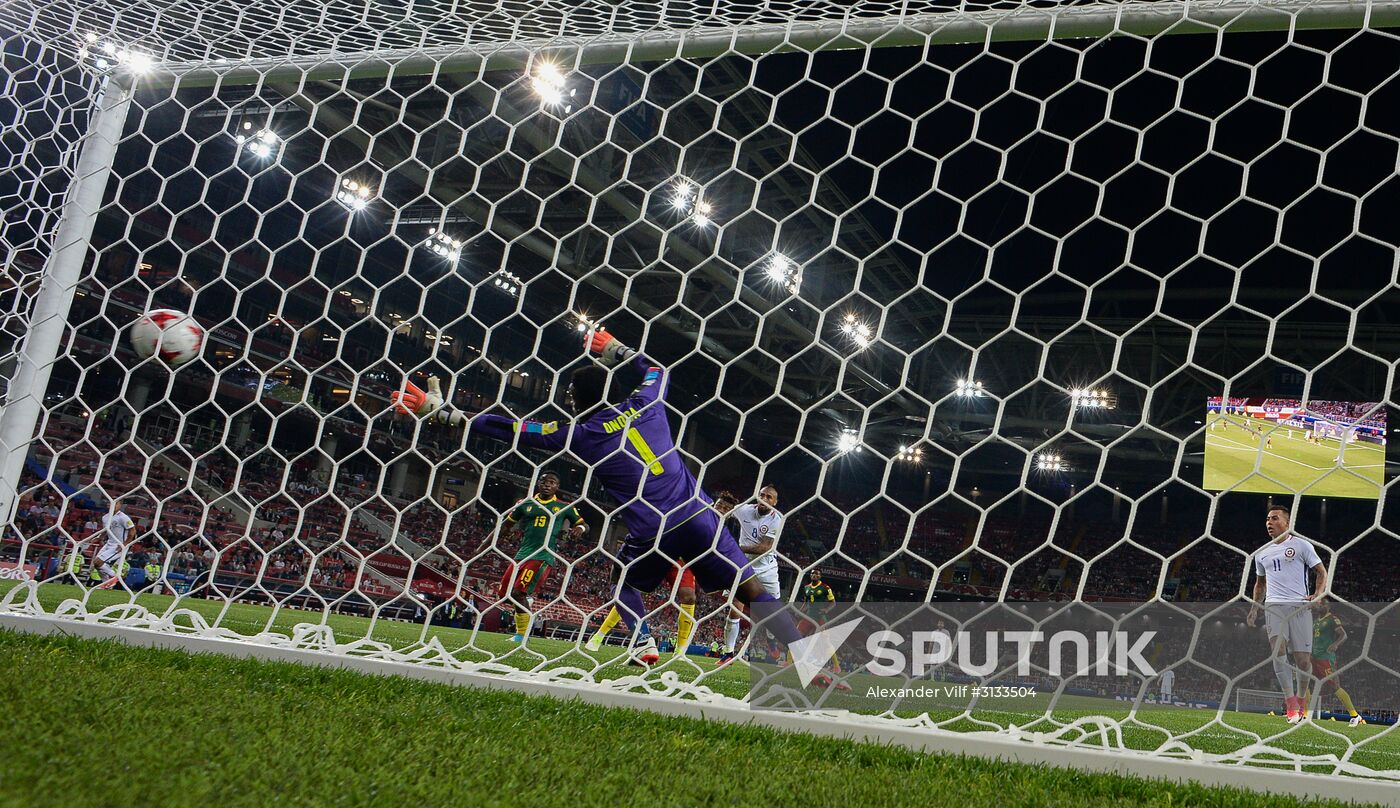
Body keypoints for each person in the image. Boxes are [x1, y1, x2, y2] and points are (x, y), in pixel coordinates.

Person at [394, 327, 811, 673]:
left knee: (623, 583)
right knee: (752, 589)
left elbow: (518, 429)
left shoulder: (581, 434)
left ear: (575, 401)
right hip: (699, 515)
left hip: (654, 530)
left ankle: (644, 642)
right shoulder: (646, 403)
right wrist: (617, 349)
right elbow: (656, 370)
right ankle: (807, 657)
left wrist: (451, 415)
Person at [1246, 505, 1327, 724]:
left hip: (1300, 607)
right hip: (1274, 606)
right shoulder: (1262, 553)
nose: (1269, 523)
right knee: (1278, 649)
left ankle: (1301, 699)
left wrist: (1318, 594)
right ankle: (1290, 702)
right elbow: (1259, 584)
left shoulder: (1302, 546)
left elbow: (1321, 571)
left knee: (1303, 661)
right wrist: (1254, 608)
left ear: (1287, 522)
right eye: (1267, 519)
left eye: (1274, 518)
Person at [495, 471, 587, 643]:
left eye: (552, 482)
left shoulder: (563, 506)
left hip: (543, 556)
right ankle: (524, 615)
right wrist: (503, 535)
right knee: (505, 595)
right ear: (538, 484)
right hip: (521, 555)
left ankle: (521, 635)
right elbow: (507, 525)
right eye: (544, 481)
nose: (547, 485)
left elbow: (583, 525)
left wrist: (578, 530)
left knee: (517, 593)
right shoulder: (525, 504)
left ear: (557, 487)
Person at [719, 486, 783, 665]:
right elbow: (724, 511)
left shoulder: (776, 519)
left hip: (767, 569)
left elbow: (764, 548)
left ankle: (771, 638)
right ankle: (728, 653)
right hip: (743, 567)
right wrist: (721, 508)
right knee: (734, 609)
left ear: (774, 502)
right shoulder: (745, 510)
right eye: (762, 495)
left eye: (769, 497)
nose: (764, 498)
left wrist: (734, 548)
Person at [1302, 597, 1364, 726]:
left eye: (1322, 604)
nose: (1319, 606)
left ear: (1328, 607)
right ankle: (1305, 716)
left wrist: (1336, 644)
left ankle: (1355, 716)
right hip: (1314, 657)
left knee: (1335, 686)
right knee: (1305, 681)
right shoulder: (1316, 621)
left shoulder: (1332, 619)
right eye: (1318, 604)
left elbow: (1343, 635)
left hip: (1326, 658)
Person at [95, 499, 136, 590]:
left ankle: (114, 577)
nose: (112, 504)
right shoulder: (105, 517)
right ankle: (106, 584)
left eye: (115, 503)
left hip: (119, 545)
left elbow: (132, 531)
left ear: (120, 505)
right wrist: (99, 537)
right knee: (96, 564)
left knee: (98, 562)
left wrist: (124, 544)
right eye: (109, 502)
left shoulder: (123, 517)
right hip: (109, 543)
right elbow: (106, 530)